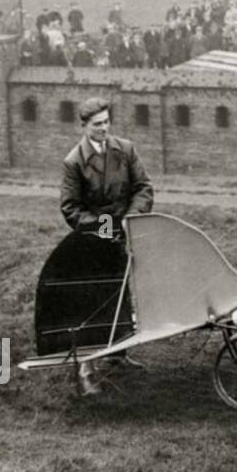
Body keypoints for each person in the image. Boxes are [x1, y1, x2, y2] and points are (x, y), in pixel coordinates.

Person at [59, 97, 154, 396]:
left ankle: (118, 353)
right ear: (84, 126)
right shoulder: (74, 162)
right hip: (92, 242)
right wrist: (104, 229)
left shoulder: (125, 150)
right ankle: (85, 368)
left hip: (123, 235)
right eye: (97, 124)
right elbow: (71, 207)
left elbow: (143, 188)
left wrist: (131, 218)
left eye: (106, 122)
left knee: (121, 292)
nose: (103, 128)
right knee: (92, 300)